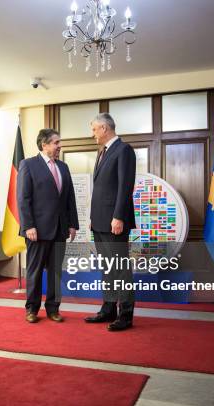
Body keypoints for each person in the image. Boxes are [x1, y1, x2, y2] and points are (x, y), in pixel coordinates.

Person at [17, 128, 79, 323]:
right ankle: (32, 310)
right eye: (56, 142)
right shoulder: (28, 165)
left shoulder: (64, 167)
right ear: (44, 145)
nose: (59, 146)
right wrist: (28, 226)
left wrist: (72, 224)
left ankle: (53, 309)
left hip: (60, 229)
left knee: (55, 272)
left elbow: (70, 198)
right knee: (34, 271)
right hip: (37, 230)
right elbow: (23, 198)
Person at [85, 113, 137, 331]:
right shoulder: (102, 152)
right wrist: (92, 218)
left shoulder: (123, 150)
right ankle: (108, 309)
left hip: (115, 221)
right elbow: (101, 189)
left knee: (120, 268)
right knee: (107, 267)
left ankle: (125, 314)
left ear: (105, 128)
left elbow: (125, 186)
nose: (93, 134)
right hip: (99, 221)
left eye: (95, 129)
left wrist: (118, 216)